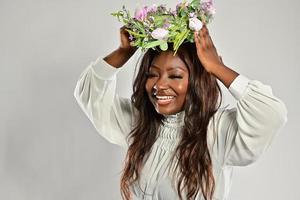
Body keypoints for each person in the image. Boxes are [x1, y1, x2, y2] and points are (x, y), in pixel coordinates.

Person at [73, 24, 287, 200]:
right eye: (152, 75)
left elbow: (270, 113)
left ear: (196, 82)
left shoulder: (217, 130)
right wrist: (123, 52)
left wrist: (217, 68)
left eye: (174, 76)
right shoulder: (141, 123)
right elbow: (89, 94)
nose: (159, 85)